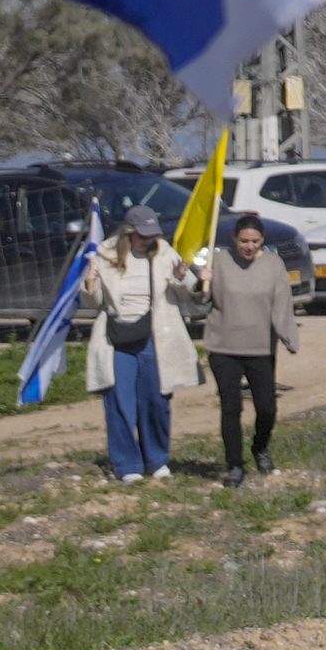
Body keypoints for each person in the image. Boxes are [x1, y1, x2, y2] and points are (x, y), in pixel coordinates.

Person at [191, 211, 299, 485]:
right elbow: (201, 298)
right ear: (234, 239)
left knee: (267, 408)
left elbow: (282, 304)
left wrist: (288, 338)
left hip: (260, 347)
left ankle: (260, 447)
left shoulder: (274, 265)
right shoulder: (220, 260)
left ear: (262, 240)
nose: (250, 246)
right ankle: (235, 465)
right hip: (223, 345)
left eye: (255, 241)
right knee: (231, 407)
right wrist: (199, 280)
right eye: (244, 241)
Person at [85, 201, 181, 484]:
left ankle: (158, 459)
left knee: (156, 401)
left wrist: (183, 278)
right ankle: (128, 465)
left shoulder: (164, 253)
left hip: (153, 335)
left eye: (151, 236)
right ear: (127, 233)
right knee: (119, 403)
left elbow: (187, 291)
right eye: (141, 236)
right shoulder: (103, 255)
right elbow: (95, 301)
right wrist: (90, 284)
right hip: (116, 337)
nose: (146, 241)